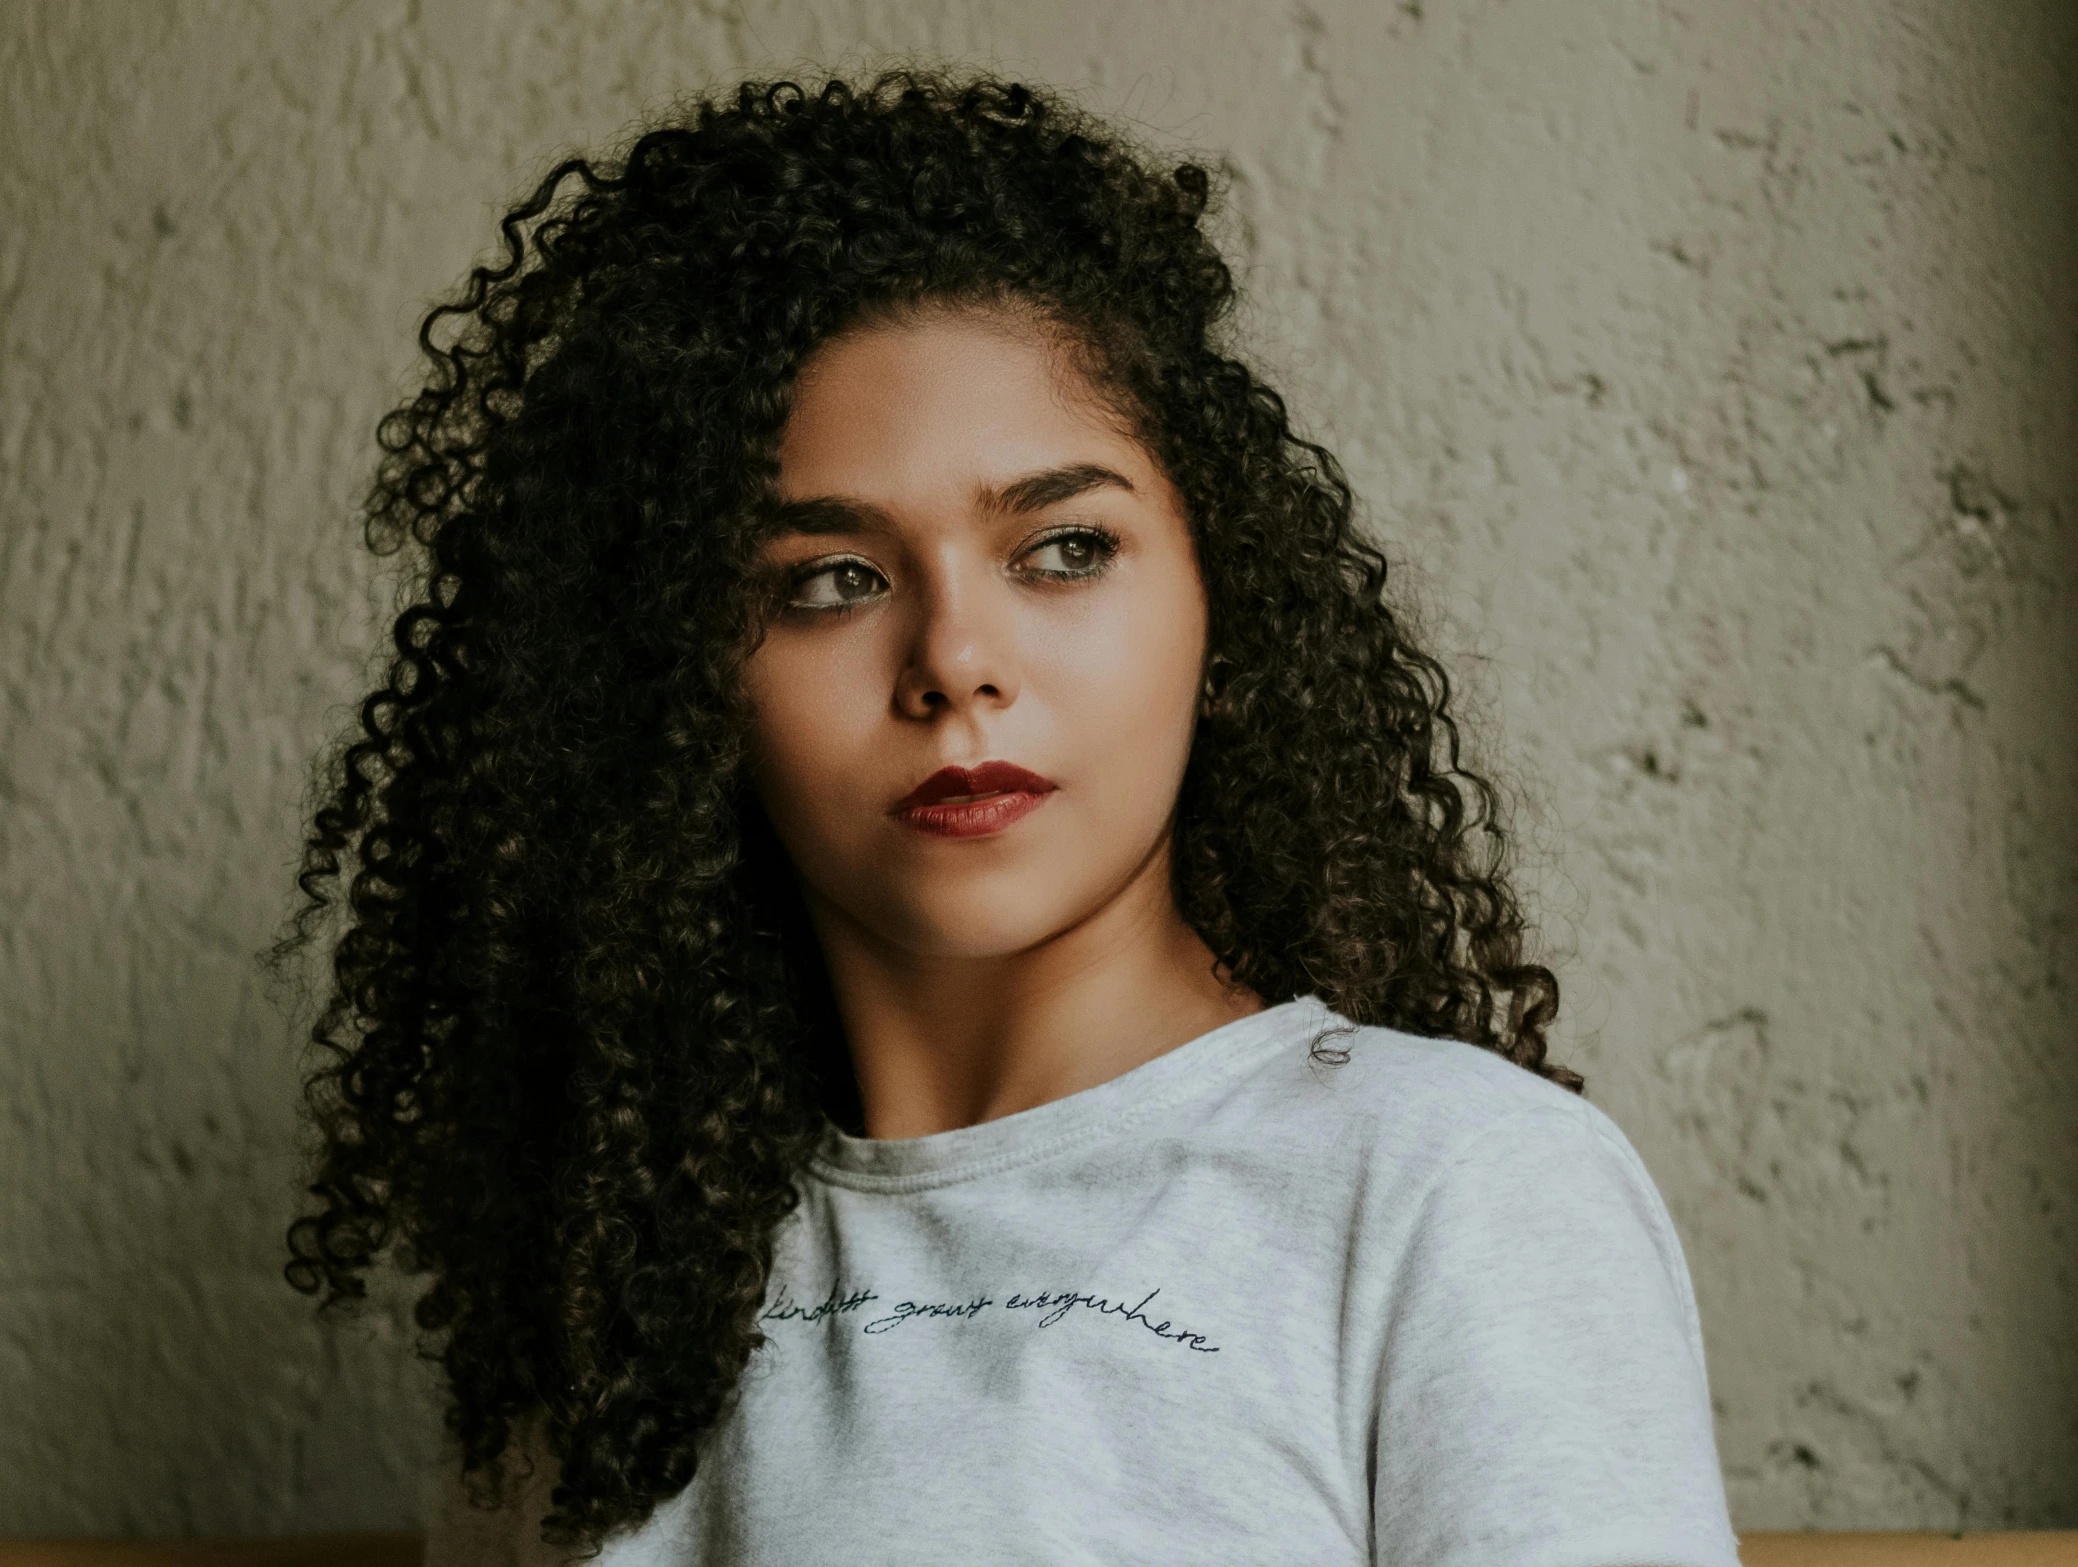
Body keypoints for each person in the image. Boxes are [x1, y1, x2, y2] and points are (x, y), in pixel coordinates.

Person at [278, 71, 1739, 1565]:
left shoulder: (1451, 1189)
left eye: (1060, 548)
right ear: (673, 690)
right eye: (826, 580)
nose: (953, 660)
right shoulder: (602, 1265)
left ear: (1220, 597)